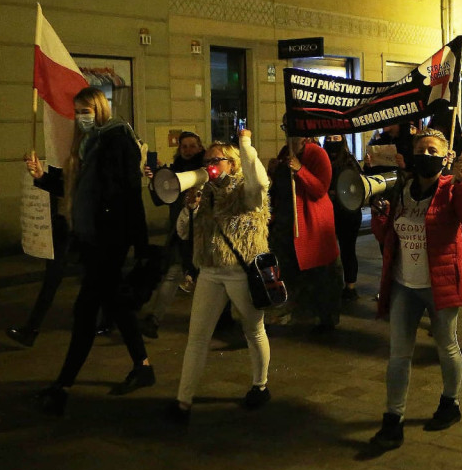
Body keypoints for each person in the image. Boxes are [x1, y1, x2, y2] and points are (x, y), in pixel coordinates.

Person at [28, 87, 152, 415]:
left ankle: (63, 387)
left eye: (86, 111)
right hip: (92, 238)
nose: (81, 117)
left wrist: (140, 244)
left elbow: (131, 192)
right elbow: (78, 189)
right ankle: (143, 366)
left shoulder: (117, 139)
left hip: (111, 238)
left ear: (100, 109)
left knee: (85, 311)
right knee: (116, 305)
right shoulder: (86, 143)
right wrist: (42, 178)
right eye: (78, 111)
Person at [368, 129, 462, 450]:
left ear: (446, 157)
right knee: (398, 355)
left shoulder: (452, 189)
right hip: (404, 285)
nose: (426, 155)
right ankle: (393, 419)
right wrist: (379, 217)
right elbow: (388, 235)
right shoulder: (402, 189)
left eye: (433, 150)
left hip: (439, 284)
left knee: (447, 346)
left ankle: (451, 403)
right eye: (421, 150)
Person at [165, 130, 272, 422]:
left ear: (233, 164)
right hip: (210, 271)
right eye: (207, 160)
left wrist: (246, 144)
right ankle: (183, 401)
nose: (210, 165)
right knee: (197, 338)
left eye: (217, 160)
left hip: (240, 272)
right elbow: (182, 232)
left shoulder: (246, 191)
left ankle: (260, 385)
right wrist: (189, 209)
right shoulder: (205, 192)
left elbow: (260, 181)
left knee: (254, 330)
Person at [269, 126, 340, 331]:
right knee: (290, 270)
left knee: (319, 273)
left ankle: (324, 317)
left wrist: (300, 170)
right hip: (287, 222)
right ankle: (298, 311)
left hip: (311, 223)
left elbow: (320, 189)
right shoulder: (285, 153)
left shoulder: (317, 154)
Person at [139, 131, 205, 338]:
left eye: (192, 146)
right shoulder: (173, 170)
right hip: (180, 233)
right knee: (173, 275)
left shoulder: (206, 169)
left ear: (200, 147)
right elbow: (160, 200)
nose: (188, 150)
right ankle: (154, 319)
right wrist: (155, 180)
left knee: (207, 279)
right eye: (184, 146)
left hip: (203, 233)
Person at [6, 165, 71, 348]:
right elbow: (62, 188)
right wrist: (41, 175)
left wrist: (43, 177)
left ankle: (116, 321)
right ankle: (31, 330)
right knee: (52, 278)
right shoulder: (65, 159)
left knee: (100, 282)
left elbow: (75, 190)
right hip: (64, 223)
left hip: (83, 225)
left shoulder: (89, 157)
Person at [325, 134, 364, 301]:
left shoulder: (349, 160)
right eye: (329, 139)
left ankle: (350, 286)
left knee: (348, 249)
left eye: (336, 138)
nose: (332, 142)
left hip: (348, 213)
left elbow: (358, 184)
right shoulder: (322, 159)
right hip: (328, 212)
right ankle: (331, 284)